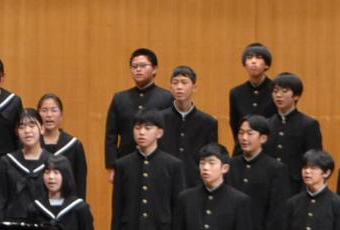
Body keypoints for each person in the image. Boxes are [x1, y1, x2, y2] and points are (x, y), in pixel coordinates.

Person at [103, 48, 175, 181]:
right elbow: (111, 135)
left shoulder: (167, 98)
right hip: (126, 161)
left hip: (158, 163)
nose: (138, 70)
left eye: (143, 66)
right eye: (134, 66)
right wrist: (112, 166)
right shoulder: (120, 98)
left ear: (154, 69)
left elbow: (171, 134)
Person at [164, 66, 220, 186]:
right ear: (170, 88)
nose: (179, 87)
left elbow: (211, 156)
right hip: (164, 182)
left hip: (194, 183)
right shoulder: (160, 119)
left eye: (184, 83)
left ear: (194, 88)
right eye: (175, 83)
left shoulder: (208, 122)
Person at [35, 93, 90, 204]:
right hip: (37, 206)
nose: (49, 115)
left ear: (61, 115)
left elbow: (80, 182)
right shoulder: (32, 146)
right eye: (44, 110)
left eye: (54, 110)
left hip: (66, 206)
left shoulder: (74, 145)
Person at [266, 72, 323, 167]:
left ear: (296, 95)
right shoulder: (267, 123)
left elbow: (314, 158)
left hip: (295, 180)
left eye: (284, 91)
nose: (278, 95)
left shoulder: (309, 124)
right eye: (275, 91)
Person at [228, 43, 275, 130]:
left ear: (267, 64)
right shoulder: (236, 92)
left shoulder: (276, 90)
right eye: (249, 58)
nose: (253, 61)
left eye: (258, 57)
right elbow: (234, 123)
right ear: (244, 64)